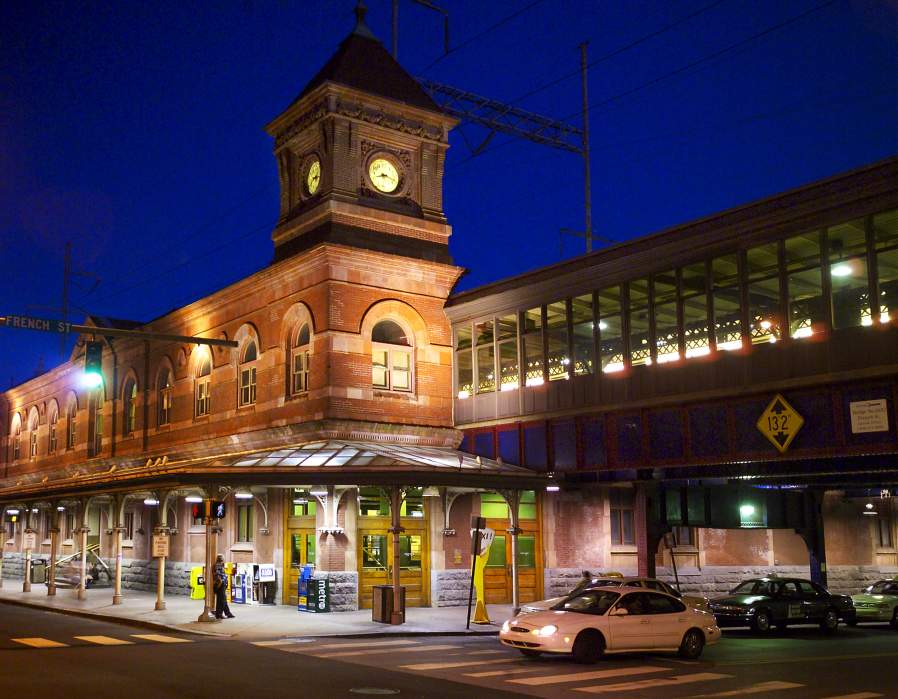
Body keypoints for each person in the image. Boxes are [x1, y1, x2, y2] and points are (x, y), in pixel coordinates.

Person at [213, 554, 235, 619]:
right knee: (221, 600)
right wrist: (221, 582)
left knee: (223, 600)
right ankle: (219, 614)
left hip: (222, 585)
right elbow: (218, 575)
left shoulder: (220, 565)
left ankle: (228, 613)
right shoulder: (218, 565)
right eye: (223, 558)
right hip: (221, 585)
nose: (224, 559)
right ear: (221, 559)